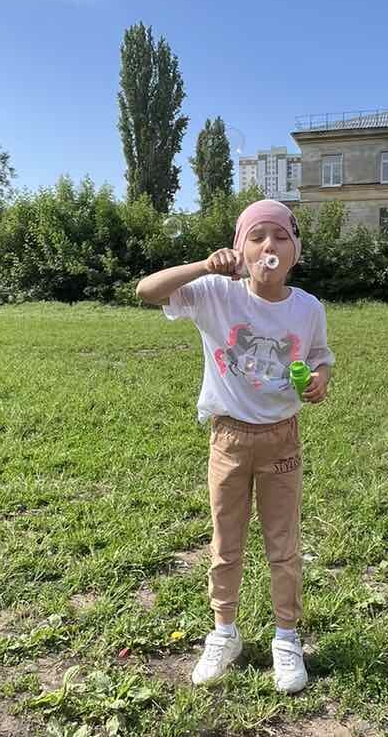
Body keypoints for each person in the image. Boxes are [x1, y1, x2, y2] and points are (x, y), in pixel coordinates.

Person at [136, 200, 333, 694]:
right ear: (240, 248)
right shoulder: (215, 294)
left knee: (283, 546)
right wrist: (206, 265)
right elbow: (146, 291)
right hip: (228, 437)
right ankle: (224, 633)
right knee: (226, 545)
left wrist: (320, 380)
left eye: (281, 237)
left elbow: (320, 357)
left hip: (282, 439)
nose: (270, 246)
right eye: (257, 236)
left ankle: (286, 639)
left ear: (295, 252)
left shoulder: (307, 308)